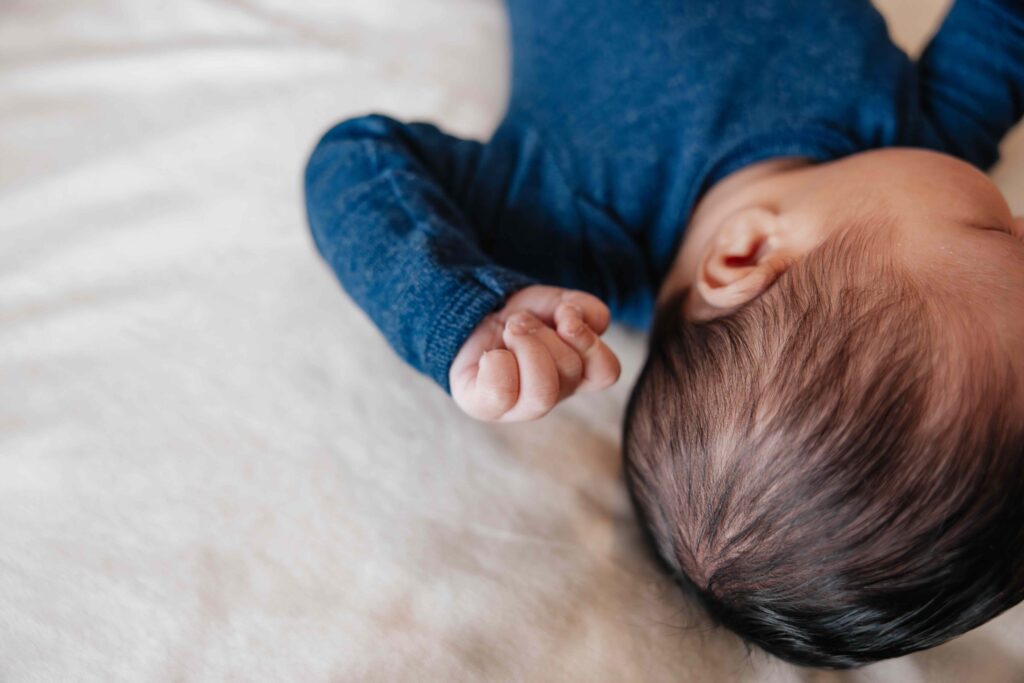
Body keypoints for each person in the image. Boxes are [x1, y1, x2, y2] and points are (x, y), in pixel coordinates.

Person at [304, 0, 1024, 668]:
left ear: (745, 257)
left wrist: (465, 312)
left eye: (998, 232)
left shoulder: (568, 222)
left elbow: (354, 164)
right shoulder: (927, 144)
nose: (1015, 215)